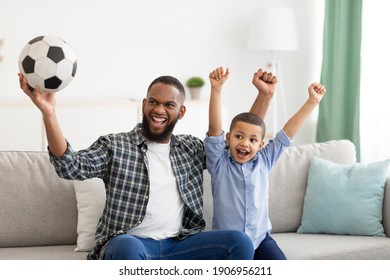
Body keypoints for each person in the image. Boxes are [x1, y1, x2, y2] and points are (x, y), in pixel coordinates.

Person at [18, 72, 266, 260]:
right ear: (144, 105)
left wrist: (264, 96)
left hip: (181, 244)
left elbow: (240, 146)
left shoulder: (191, 148)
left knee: (239, 242)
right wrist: (49, 114)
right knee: (126, 245)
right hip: (133, 245)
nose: (159, 110)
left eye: (169, 105)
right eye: (153, 102)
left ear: (181, 112)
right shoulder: (115, 145)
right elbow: (70, 167)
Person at [204, 66, 326, 260]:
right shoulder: (219, 164)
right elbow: (214, 129)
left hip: (260, 240)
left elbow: (288, 133)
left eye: (252, 140)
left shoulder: (265, 160)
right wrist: (216, 89)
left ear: (261, 145)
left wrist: (312, 102)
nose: (245, 143)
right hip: (228, 243)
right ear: (228, 138)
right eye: (239, 136)